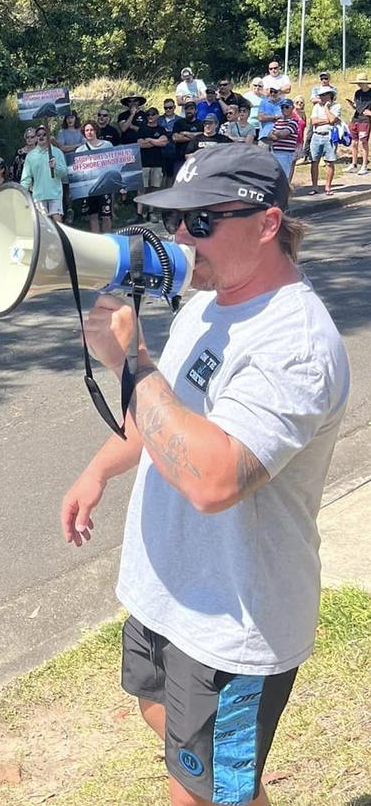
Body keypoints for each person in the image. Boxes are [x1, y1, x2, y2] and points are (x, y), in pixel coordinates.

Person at [60, 144, 349, 806]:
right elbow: (169, 414)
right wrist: (99, 468)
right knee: (175, 733)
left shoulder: (293, 343)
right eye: (176, 220)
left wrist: (131, 360)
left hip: (234, 618)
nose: (182, 238)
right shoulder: (209, 301)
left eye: (202, 222)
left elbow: (212, 478)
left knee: (202, 791)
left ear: (269, 223)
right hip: (173, 592)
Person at [20, 124, 68, 223]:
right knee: (42, 225)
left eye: (44, 134)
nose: (41, 137)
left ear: (49, 136)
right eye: (38, 135)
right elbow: (26, 178)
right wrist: (21, 193)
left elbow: (64, 173)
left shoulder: (57, 152)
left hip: (55, 194)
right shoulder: (31, 156)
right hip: (38, 195)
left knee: (58, 223)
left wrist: (55, 167)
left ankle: (60, 239)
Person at [76, 121, 114, 233]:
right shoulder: (80, 150)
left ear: (96, 130)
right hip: (90, 188)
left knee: (106, 215)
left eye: (91, 130)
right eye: (87, 130)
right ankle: (97, 241)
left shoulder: (107, 145)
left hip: (105, 186)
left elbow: (113, 163)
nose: (89, 132)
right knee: (93, 216)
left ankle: (108, 239)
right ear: (84, 133)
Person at [136, 109, 169, 221]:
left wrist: (150, 140)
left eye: (152, 114)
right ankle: (139, 214)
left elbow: (164, 143)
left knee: (154, 188)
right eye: (148, 114)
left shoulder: (161, 129)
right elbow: (141, 144)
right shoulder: (142, 128)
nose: (150, 116)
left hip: (157, 162)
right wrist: (156, 142)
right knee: (142, 188)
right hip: (144, 162)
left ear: (157, 116)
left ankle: (151, 212)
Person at [309, 86, 342, 196]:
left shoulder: (336, 106)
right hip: (316, 135)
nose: (321, 97)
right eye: (320, 95)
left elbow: (333, 120)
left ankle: (328, 186)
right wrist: (326, 121)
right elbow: (313, 121)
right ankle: (314, 186)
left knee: (330, 162)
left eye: (323, 95)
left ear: (330, 96)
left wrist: (327, 109)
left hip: (329, 136)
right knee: (314, 161)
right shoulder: (316, 107)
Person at [344, 72, 371, 174]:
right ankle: (354, 164)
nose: (358, 84)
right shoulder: (357, 93)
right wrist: (352, 105)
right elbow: (357, 106)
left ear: (365, 83)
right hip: (355, 119)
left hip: (365, 121)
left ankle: (364, 165)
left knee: (364, 142)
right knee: (354, 142)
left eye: (360, 83)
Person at [269, 99, 299, 179]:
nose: (284, 109)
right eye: (282, 107)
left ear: (292, 108)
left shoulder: (293, 122)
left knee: (284, 178)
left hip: (286, 153)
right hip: (275, 152)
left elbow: (283, 134)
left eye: (286, 107)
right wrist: (277, 134)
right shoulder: (278, 122)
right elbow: (269, 135)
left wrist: (276, 133)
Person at [172, 101, 203, 173]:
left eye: (191, 109)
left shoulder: (200, 123)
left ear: (196, 110)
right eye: (187, 109)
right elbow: (175, 138)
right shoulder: (178, 123)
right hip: (180, 158)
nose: (189, 111)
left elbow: (202, 137)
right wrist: (195, 136)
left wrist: (185, 133)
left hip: (196, 157)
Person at [158, 99, 180, 185]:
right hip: (159, 152)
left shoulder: (180, 120)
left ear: (174, 107)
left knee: (171, 175)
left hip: (174, 151)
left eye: (170, 107)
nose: (168, 110)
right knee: (161, 175)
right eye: (165, 108)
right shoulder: (159, 119)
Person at [288, 96, 307, 183]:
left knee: (293, 164)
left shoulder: (303, 114)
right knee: (288, 163)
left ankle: (289, 183)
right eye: (297, 102)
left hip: (299, 141)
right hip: (291, 141)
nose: (299, 104)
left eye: (301, 102)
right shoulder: (291, 114)